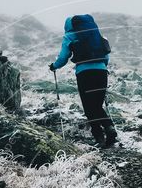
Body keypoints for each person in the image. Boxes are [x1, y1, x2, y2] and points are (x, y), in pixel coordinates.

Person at [49, 15, 118, 147]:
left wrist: (54, 66)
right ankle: (110, 128)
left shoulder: (69, 36)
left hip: (84, 74)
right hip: (102, 73)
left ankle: (99, 138)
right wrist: (100, 66)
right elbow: (106, 57)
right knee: (97, 105)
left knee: (89, 107)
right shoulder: (98, 36)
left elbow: (63, 58)